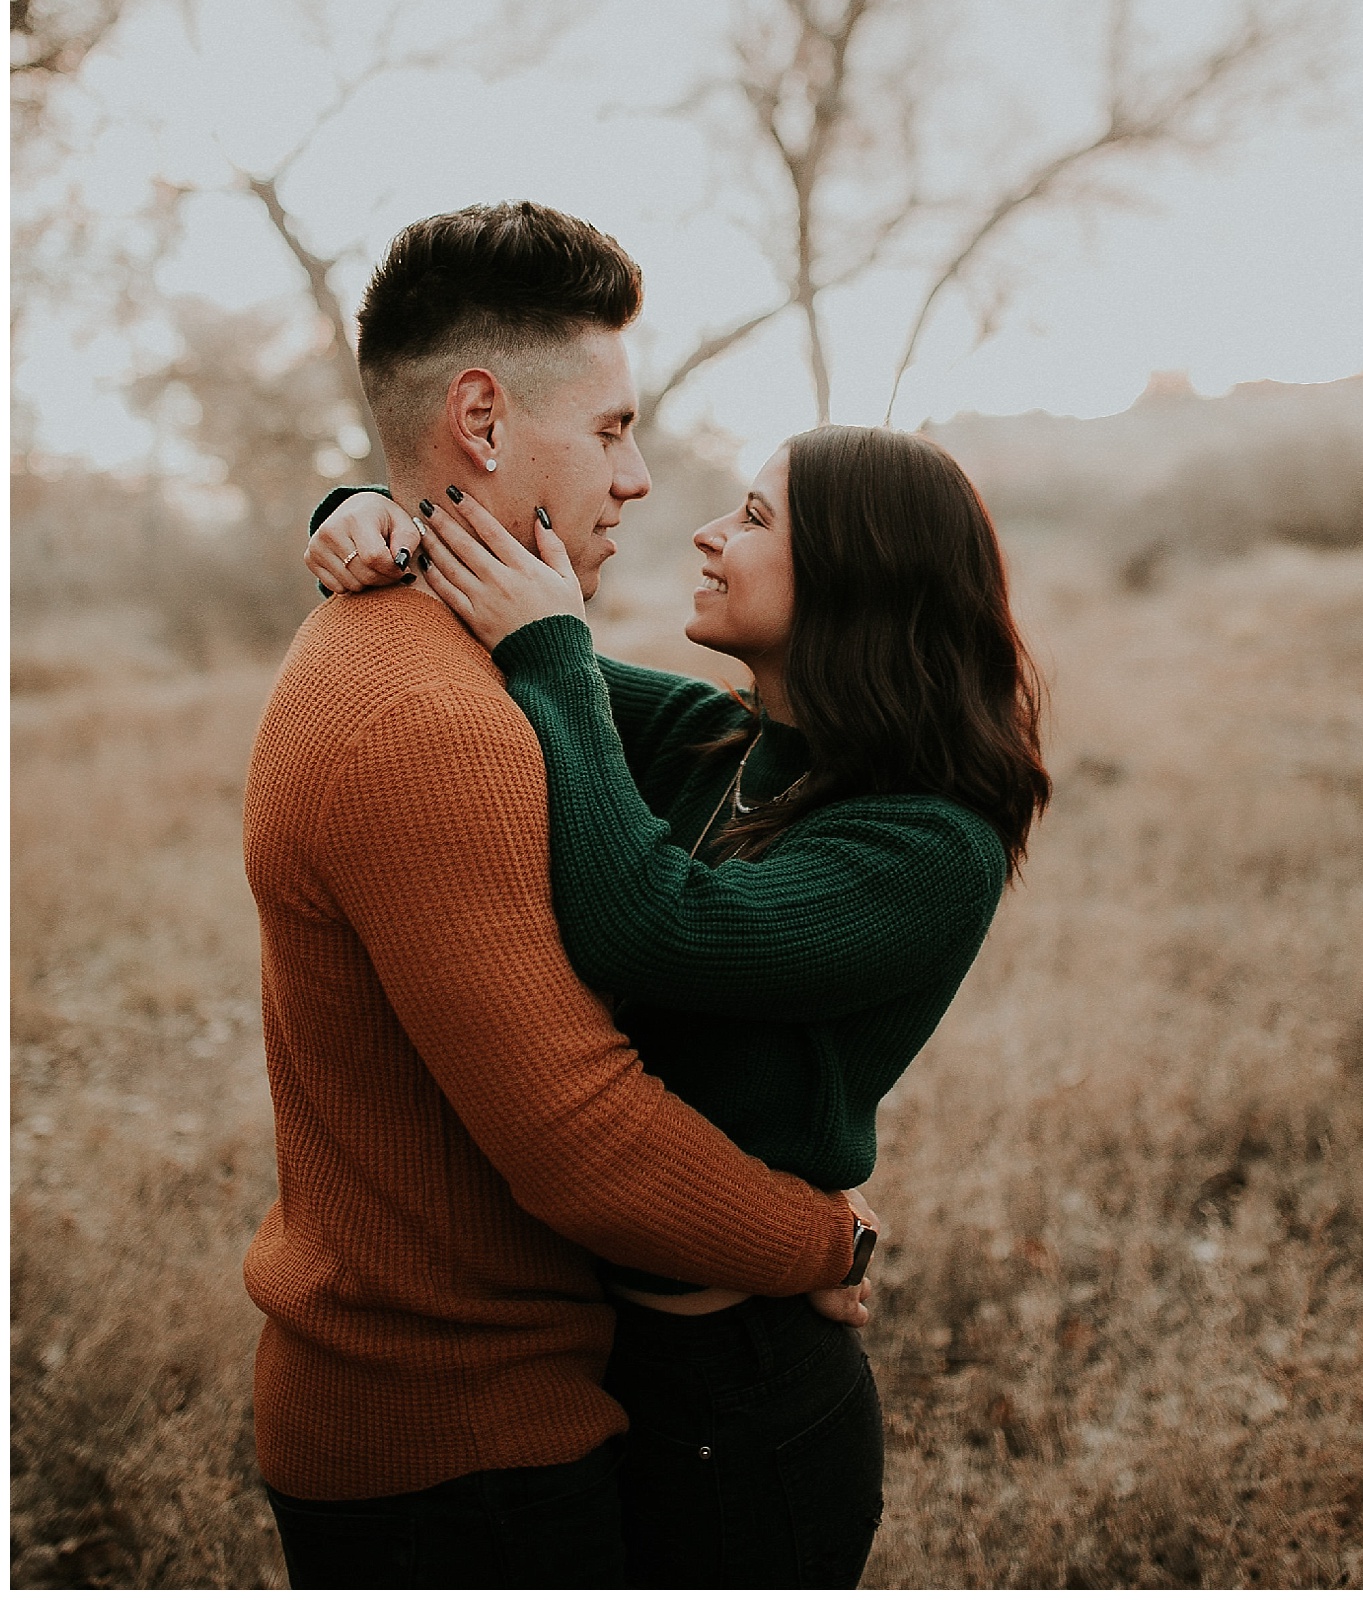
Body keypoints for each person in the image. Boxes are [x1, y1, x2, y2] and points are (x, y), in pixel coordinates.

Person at [243, 201, 872, 1594]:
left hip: (468, 1426)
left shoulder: (435, 653)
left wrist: (365, 515)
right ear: (480, 417)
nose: (640, 478)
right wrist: (828, 1236)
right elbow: (578, 1137)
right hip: (455, 1461)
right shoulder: (425, 717)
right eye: (609, 430)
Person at [310, 410, 1050, 1588]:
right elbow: (487, 625)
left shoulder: (927, 846)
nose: (706, 533)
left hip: (746, 1391)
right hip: (607, 1361)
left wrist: (559, 646)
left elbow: (655, 927)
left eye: (754, 517)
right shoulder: (719, 739)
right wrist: (359, 513)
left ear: (861, 575)